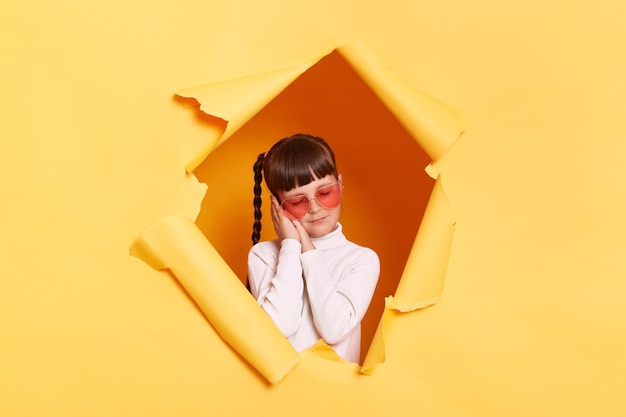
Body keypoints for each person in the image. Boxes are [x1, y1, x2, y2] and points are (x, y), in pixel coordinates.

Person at [247, 133, 380, 363]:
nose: (315, 208)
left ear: (340, 185)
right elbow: (279, 328)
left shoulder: (362, 259)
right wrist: (290, 246)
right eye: (298, 202)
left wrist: (308, 251)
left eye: (325, 193)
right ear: (277, 206)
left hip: (337, 395)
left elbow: (334, 328)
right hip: (275, 396)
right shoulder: (263, 255)